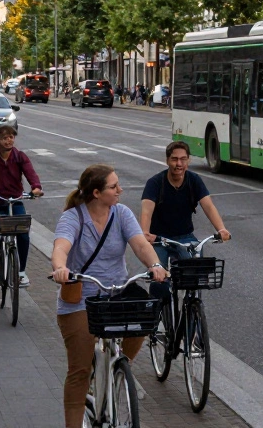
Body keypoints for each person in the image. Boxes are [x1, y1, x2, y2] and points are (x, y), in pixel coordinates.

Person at [51, 164, 167, 428]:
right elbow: (61, 246)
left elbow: (140, 244)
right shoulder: (73, 218)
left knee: (142, 319)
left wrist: (155, 265)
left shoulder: (122, 213)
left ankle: (118, 369)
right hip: (82, 298)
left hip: (117, 292)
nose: (120, 190)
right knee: (80, 371)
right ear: (96, 193)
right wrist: (60, 268)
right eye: (114, 187)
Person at [140, 141, 231, 297]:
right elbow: (146, 212)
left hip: (185, 238)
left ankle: (192, 308)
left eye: (183, 159)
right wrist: (145, 234)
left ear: (188, 160)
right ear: (167, 160)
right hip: (159, 239)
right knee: (159, 280)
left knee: (195, 278)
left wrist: (221, 229)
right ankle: (158, 313)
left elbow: (208, 206)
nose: (179, 164)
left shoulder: (193, 180)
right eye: (174, 159)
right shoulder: (155, 183)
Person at [0, 125, 43, 286]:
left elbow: (30, 172)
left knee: (23, 233)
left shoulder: (20, 156)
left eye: (11, 137)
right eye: (5, 137)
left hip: (15, 199)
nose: (9, 140)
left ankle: (21, 272)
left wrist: (36, 187)